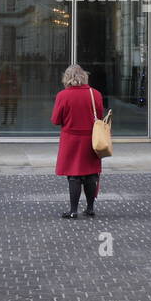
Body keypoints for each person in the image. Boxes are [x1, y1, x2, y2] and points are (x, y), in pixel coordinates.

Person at [51, 64, 104, 219]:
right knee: (90, 174)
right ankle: (90, 208)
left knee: (74, 175)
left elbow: (55, 120)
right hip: (91, 139)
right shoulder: (95, 94)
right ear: (84, 76)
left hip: (71, 140)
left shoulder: (63, 95)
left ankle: (73, 210)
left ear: (66, 78)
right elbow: (100, 117)